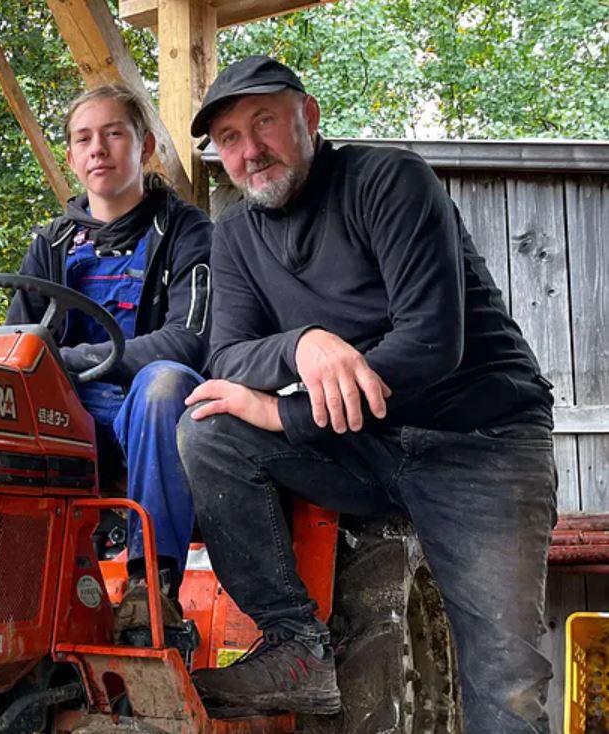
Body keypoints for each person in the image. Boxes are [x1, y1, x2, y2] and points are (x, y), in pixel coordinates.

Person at [177, 56, 556, 733]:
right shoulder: (232, 233)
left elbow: (432, 342)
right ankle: (295, 644)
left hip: (478, 444)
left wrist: (285, 408)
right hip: (363, 446)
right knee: (209, 425)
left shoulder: (386, 180)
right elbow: (225, 356)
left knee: (503, 678)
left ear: (308, 116)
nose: (249, 149)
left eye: (262, 122)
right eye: (229, 138)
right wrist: (301, 344)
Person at [7, 84, 212, 636]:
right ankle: (18, 586)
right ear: (72, 157)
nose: (98, 148)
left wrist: (75, 359)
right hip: (73, 413)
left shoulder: (186, 232)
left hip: (149, 409)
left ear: (144, 147)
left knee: (164, 383)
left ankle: (152, 589)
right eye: (83, 138)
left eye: (113, 133)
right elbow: (17, 346)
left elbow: (187, 340)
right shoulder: (50, 245)